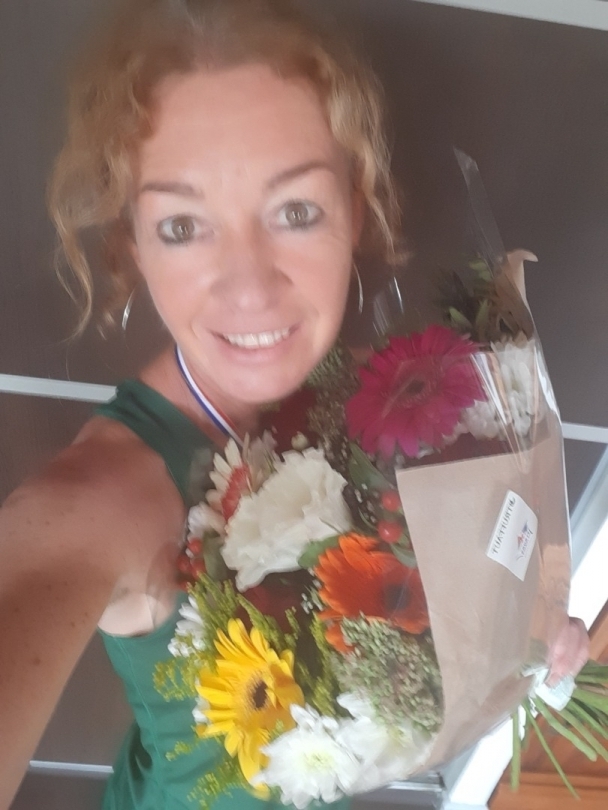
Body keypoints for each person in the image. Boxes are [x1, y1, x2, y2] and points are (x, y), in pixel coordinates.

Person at [0, 1, 589, 808]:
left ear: (355, 211)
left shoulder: (379, 394)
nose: (249, 286)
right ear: (130, 242)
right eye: (182, 225)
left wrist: (522, 628)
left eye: (296, 212)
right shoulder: (101, 501)